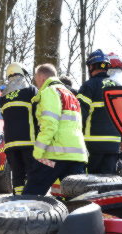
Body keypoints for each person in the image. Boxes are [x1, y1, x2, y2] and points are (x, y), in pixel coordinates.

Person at [23, 64, 88, 195]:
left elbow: (50, 125)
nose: (36, 84)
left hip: (53, 156)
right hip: (76, 155)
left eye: (36, 80)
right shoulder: (70, 95)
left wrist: (37, 153)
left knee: (31, 195)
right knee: (77, 199)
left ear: (41, 77)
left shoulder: (50, 92)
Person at [77, 49, 122, 174]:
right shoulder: (118, 87)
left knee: (92, 183)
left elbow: (80, 114)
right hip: (114, 143)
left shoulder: (89, 86)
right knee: (109, 181)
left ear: (91, 66)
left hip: (93, 143)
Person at [0, 62, 38, 195]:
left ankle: (17, 201)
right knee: (31, 174)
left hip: (10, 143)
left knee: (17, 176)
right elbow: (38, 114)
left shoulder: (3, 96)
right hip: (28, 142)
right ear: (22, 73)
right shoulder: (31, 90)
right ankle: (31, 201)